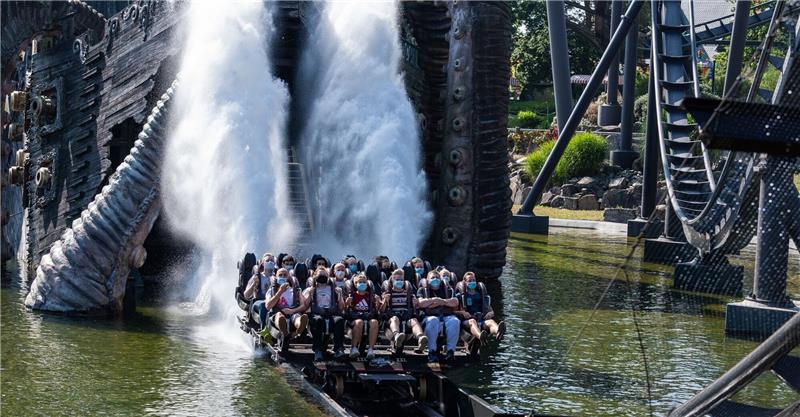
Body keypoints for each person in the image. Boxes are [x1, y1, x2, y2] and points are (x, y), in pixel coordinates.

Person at [299, 267, 346, 361]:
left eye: (325, 275)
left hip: (331, 314)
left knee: (339, 320)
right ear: (315, 276)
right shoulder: (310, 289)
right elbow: (304, 307)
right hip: (317, 314)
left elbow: (341, 308)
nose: (323, 277)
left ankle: (339, 349)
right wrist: (310, 295)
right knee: (318, 320)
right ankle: (318, 350)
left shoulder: (334, 289)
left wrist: (340, 295)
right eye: (320, 275)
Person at [417, 270, 460, 363]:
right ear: (428, 280)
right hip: (429, 317)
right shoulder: (422, 290)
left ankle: (450, 351)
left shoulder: (448, 289)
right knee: (433, 320)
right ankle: (432, 351)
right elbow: (420, 303)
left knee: (454, 321)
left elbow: (455, 302)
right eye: (432, 278)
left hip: (445, 316)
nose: (435, 279)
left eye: (437, 278)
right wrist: (433, 300)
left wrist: (443, 301)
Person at [380, 269, 427, 354]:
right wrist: (384, 301)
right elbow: (381, 310)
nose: (399, 282)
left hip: (406, 319)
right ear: (392, 281)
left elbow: (416, 309)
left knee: (414, 321)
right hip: (392, 320)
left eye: (401, 280)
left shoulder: (409, 294)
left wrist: (415, 304)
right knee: (395, 319)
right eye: (397, 280)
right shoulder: (387, 294)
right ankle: (397, 336)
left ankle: (421, 338)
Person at [265, 268, 308, 350]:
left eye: (285, 275)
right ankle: (284, 330)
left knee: (297, 317)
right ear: (276, 277)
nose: (283, 277)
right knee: (279, 316)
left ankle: (299, 328)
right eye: (280, 275)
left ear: (288, 277)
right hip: (277, 314)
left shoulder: (296, 290)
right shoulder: (271, 291)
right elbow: (268, 306)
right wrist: (280, 292)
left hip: (292, 314)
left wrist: (292, 310)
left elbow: (304, 306)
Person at [456, 272, 505, 342]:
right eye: (469, 281)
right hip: (467, 321)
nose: (472, 282)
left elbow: (490, 310)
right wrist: (462, 312)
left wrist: (490, 313)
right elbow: (452, 311)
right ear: (465, 282)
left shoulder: (480, 295)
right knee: (472, 321)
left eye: (473, 280)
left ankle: (499, 332)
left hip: (480, 320)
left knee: (491, 322)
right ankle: (480, 336)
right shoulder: (460, 296)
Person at [345, 274, 380, 359]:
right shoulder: (352, 296)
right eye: (360, 282)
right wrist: (347, 303)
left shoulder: (371, 296)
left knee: (374, 322)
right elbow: (345, 309)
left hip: (368, 318)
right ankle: (353, 348)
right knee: (359, 322)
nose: (362, 284)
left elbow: (377, 310)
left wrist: (378, 302)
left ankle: (371, 349)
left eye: (364, 282)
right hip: (354, 319)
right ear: (355, 284)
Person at [243, 264, 271, 336]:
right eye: (267, 261)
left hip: (273, 302)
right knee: (263, 305)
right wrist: (254, 283)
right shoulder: (257, 277)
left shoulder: (278, 276)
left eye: (272, 261)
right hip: (258, 301)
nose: (270, 263)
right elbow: (246, 295)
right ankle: (264, 331)